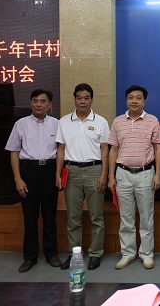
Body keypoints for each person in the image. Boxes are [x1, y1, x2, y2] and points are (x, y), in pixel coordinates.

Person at [5, 89, 62, 273]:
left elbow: (61, 150)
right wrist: (18, 179)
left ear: (49, 105)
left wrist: (58, 174)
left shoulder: (56, 124)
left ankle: (51, 254)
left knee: (49, 215)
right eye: (35, 101)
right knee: (30, 216)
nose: (39, 104)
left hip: (49, 171)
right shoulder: (20, 124)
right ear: (31, 103)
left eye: (43, 101)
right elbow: (14, 151)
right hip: (28, 171)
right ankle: (30, 257)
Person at [56, 83, 110, 271]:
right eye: (79, 98)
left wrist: (104, 174)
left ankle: (95, 253)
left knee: (96, 216)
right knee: (73, 217)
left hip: (94, 170)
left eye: (86, 98)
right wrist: (57, 173)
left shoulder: (101, 121)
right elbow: (60, 149)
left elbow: (105, 149)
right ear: (74, 99)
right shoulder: (64, 121)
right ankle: (75, 254)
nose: (82, 101)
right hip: (71, 171)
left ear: (91, 100)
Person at [108, 85, 160, 270]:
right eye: (130, 97)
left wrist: (158, 174)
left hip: (145, 174)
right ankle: (128, 253)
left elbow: (157, 149)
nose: (134, 101)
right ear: (126, 100)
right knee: (126, 218)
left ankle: (147, 254)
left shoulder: (152, 121)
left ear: (144, 101)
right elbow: (113, 150)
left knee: (146, 217)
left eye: (138, 98)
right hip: (122, 174)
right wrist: (111, 176)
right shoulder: (118, 122)